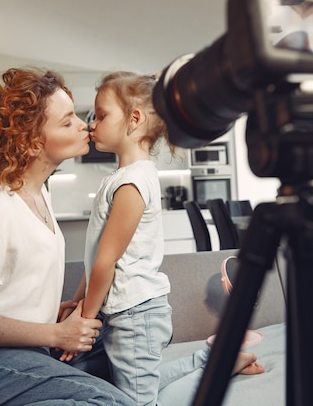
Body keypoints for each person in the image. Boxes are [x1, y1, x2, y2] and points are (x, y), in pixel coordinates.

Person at [0, 67, 134, 406]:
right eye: (67, 121)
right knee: (111, 402)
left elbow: (10, 294)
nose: (84, 125)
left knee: (126, 343)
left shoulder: (40, 195)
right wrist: (56, 333)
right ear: (31, 143)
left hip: (23, 353)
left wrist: (53, 314)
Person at [63, 71, 264, 406]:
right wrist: (78, 301)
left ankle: (221, 365)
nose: (91, 124)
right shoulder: (122, 178)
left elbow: (106, 261)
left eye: (101, 115)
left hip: (135, 313)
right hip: (127, 311)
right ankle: (214, 360)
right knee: (142, 387)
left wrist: (84, 320)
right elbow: (97, 255)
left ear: (134, 119)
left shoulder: (133, 183)